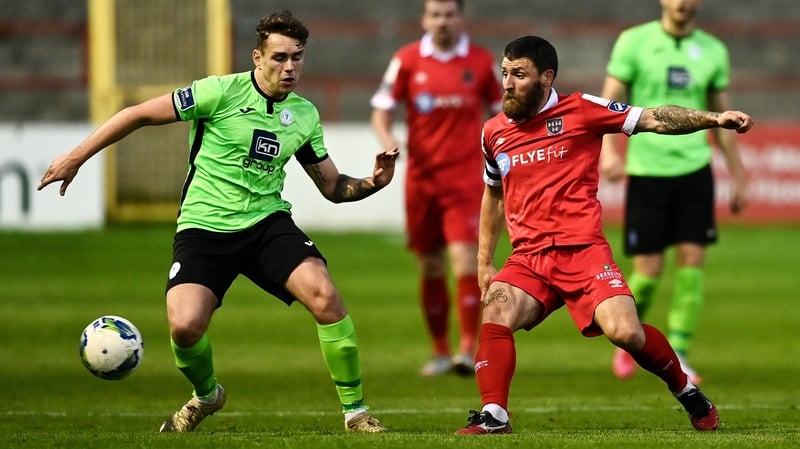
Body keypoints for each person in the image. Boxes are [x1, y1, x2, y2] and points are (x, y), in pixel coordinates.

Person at [38, 10, 397, 434]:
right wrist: (76, 157)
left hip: (266, 223)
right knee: (186, 326)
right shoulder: (218, 93)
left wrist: (375, 181)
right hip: (204, 226)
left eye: (297, 57)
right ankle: (207, 395)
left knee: (324, 296)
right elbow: (136, 114)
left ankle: (355, 412)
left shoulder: (303, 116)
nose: (290, 67)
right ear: (257, 57)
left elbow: (333, 187)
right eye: (280, 58)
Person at [454, 35, 753, 435]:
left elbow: (655, 117)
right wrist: (484, 260)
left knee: (626, 332)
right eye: (504, 73)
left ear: (546, 78)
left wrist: (713, 120)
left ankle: (686, 391)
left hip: (583, 252)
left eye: (518, 75)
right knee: (496, 309)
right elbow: (492, 195)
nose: (507, 83)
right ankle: (494, 415)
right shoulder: (493, 132)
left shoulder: (582, 110)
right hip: (529, 258)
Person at [599, 0, 747, 384]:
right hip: (648, 170)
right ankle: (628, 339)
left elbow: (720, 116)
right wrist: (610, 151)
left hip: (695, 170)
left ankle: (679, 352)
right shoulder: (634, 41)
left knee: (691, 263)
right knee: (648, 269)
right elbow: (608, 101)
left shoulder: (714, 50)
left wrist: (738, 174)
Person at [370, 0, 502, 377]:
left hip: (464, 180)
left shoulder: (480, 62)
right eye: (435, 14)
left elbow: (501, 109)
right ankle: (441, 351)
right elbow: (382, 107)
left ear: (461, 17)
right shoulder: (408, 59)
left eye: (449, 14)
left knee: (464, 261)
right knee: (429, 265)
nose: (442, 21)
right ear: (425, 19)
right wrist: (385, 137)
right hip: (422, 181)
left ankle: (466, 351)